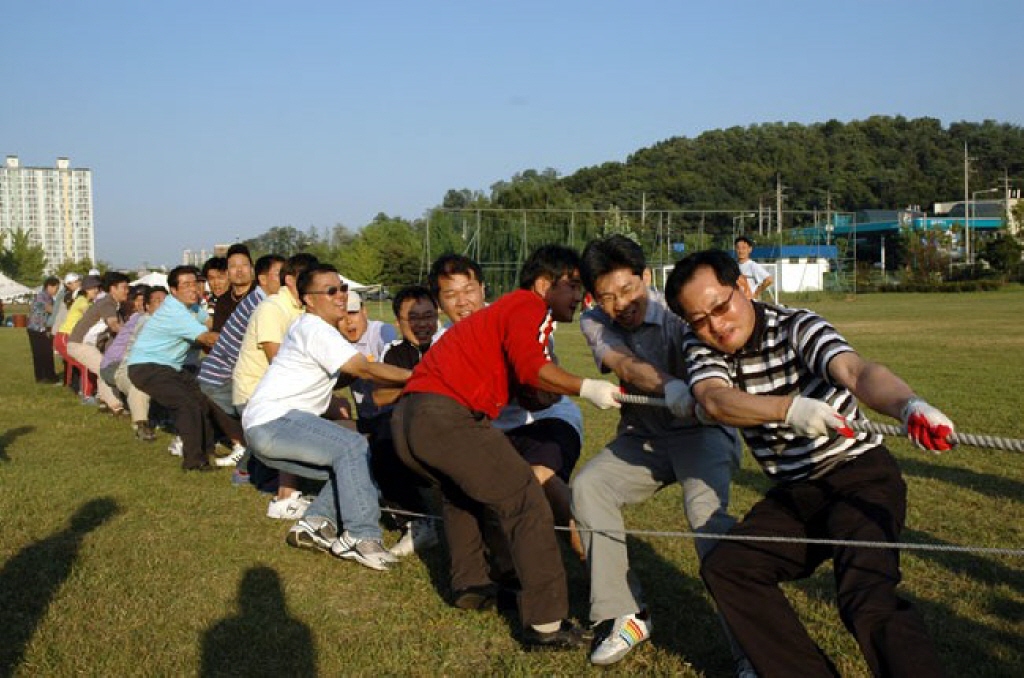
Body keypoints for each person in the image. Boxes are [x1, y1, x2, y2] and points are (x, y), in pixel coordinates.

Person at [666, 249, 953, 678]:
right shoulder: (701, 345)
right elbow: (714, 399)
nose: (716, 326)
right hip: (796, 491)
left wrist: (909, 405)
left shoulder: (797, 326)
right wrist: (788, 410)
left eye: (721, 306)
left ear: (743, 287)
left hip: (859, 475)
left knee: (867, 599)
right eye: (699, 320)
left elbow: (856, 372)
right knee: (729, 568)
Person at [391, 245, 621, 650]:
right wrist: (588, 387)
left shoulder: (502, 315)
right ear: (545, 284)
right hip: (446, 417)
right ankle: (547, 623)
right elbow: (533, 367)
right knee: (525, 498)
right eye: (573, 286)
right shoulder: (528, 306)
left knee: (460, 493)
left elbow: (524, 382)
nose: (580, 297)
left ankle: (473, 584)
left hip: (409, 420)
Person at [573, 235, 750, 672]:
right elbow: (624, 365)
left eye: (629, 290)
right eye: (608, 296)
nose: (621, 304)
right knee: (589, 487)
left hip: (702, 430)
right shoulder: (594, 321)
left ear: (646, 278)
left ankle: (751, 648)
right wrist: (669, 385)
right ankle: (626, 614)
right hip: (643, 436)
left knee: (706, 518)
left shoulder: (678, 308)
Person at [243, 264, 412, 571]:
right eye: (330, 291)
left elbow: (341, 378)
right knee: (352, 447)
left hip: (266, 426)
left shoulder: (313, 329)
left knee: (356, 465)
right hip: (274, 421)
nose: (340, 296)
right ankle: (361, 539)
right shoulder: (315, 328)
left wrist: (372, 376)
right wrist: (421, 376)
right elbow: (361, 368)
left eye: (343, 289)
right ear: (309, 299)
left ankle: (316, 524)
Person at [429, 253, 586, 562]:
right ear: (439, 303)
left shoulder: (516, 316)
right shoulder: (441, 344)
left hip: (545, 420)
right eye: (451, 294)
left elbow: (543, 383)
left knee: (542, 483)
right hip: (491, 433)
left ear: (483, 290)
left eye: (469, 290)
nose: (463, 302)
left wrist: (537, 388)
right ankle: (513, 571)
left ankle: (610, 580)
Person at [233, 253, 319, 500]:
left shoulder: (300, 309)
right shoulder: (272, 308)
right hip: (254, 393)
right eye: (309, 279)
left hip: (275, 391)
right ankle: (283, 491)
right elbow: (278, 359)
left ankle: (256, 466)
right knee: (300, 416)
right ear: (291, 280)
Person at [126, 265, 227, 471]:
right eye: (187, 285)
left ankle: (207, 450)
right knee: (186, 404)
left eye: (196, 284)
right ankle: (193, 462)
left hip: (170, 367)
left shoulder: (193, 307)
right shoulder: (174, 310)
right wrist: (240, 340)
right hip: (146, 366)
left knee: (202, 400)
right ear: (173, 290)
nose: (194, 289)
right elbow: (207, 337)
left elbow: (211, 323)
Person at [368, 285, 442, 558]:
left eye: (428, 316)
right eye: (413, 318)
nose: (422, 324)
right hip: (407, 422)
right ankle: (416, 521)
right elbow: (379, 396)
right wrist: (423, 383)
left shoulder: (449, 343)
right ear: (398, 322)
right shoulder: (393, 351)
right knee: (381, 438)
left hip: (447, 423)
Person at [197, 254, 285, 478]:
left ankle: (247, 457)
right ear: (262, 279)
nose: (285, 279)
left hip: (223, 371)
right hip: (222, 373)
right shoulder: (263, 305)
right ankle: (246, 459)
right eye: (280, 274)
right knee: (256, 416)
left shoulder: (259, 299)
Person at [101, 285, 167, 441]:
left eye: (165, 301)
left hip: (148, 368)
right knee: (140, 384)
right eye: (157, 301)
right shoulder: (145, 320)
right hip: (120, 366)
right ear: (148, 306)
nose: (162, 304)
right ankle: (141, 425)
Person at [67, 271, 131, 411]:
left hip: (86, 344)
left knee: (105, 367)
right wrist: (134, 336)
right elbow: (114, 325)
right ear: (113, 289)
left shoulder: (114, 304)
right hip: (79, 344)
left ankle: (104, 401)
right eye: (124, 287)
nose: (127, 291)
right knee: (105, 369)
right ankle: (116, 407)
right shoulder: (108, 304)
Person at [337, 290, 397, 431]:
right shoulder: (336, 340)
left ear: (364, 311)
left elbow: (390, 366)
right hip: (365, 417)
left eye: (352, 312)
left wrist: (361, 368)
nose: (348, 320)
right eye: (341, 316)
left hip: (392, 415)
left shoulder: (382, 331)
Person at [211, 244, 255, 332]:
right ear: (227, 273)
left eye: (244, 265)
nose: (239, 270)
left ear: (252, 269)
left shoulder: (261, 296)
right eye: (233, 266)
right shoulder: (222, 301)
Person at [27, 276, 62, 384]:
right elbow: (49, 309)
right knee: (39, 353)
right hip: (36, 329)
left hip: (43, 329)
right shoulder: (42, 296)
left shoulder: (49, 297)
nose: (57, 290)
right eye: (56, 287)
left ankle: (49, 375)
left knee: (46, 352)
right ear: (49, 286)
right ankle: (42, 377)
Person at [734, 236, 773, 300]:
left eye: (744, 248)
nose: (740, 251)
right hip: (737, 302)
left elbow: (769, 280)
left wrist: (755, 294)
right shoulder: (734, 265)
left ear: (750, 249)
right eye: (738, 248)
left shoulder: (752, 265)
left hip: (750, 304)